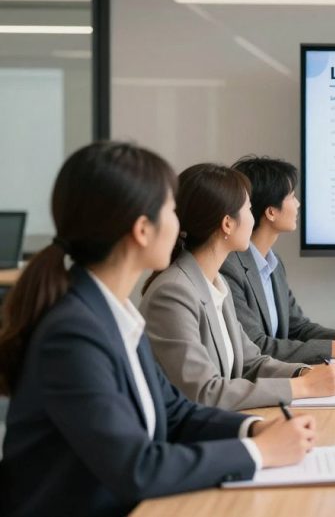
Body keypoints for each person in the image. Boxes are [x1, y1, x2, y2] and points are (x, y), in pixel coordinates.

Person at [0, 142, 315, 517]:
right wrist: (258, 452)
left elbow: (176, 412)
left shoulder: (112, 313)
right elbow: (137, 467)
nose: (180, 223)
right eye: (171, 210)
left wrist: (252, 430)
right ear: (142, 230)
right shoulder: (72, 335)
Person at [141, 164, 335, 411]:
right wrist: (302, 387)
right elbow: (204, 392)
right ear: (227, 224)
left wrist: (302, 373)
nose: (253, 218)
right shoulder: (173, 293)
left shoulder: (216, 284)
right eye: (249, 209)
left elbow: (252, 361)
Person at [220, 156, 335, 364]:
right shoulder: (230, 268)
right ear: (271, 212)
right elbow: (257, 346)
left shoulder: (272, 262)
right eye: (291, 196)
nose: (298, 204)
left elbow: (299, 327)